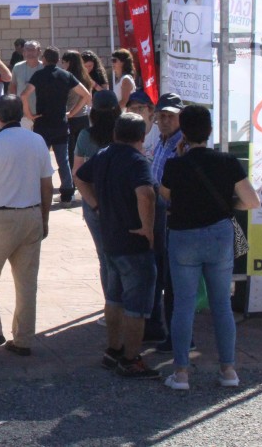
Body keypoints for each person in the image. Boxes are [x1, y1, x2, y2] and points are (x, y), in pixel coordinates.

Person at [160, 104, 261, 391]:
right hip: (219, 235)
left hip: (183, 237)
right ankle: (228, 370)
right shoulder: (228, 162)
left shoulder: (174, 165)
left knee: (183, 305)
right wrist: (230, 205)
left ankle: (181, 374)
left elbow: (164, 195)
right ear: (210, 130)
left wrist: (179, 159)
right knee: (222, 306)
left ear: (183, 132)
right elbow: (252, 201)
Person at [75, 113, 161, 380]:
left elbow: (79, 176)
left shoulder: (103, 155)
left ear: (115, 133)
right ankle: (131, 359)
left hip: (110, 239)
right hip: (134, 242)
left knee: (114, 298)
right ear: (142, 136)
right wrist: (148, 228)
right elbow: (145, 193)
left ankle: (113, 350)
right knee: (136, 305)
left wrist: (96, 204)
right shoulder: (137, 161)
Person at [0, 95, 54, 357]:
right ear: (21, 114)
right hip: (31, 214)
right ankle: (24, 338)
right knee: (27, 281)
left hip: (1, 216)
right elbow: (47, 184)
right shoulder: (36, 140)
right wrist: (44, 218)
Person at [20, 47, 91, 204]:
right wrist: (72, 113)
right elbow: (86, 94)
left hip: (42, 123)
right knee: (63, 160)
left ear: (44, 59)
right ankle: (67, 194)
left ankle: (37, 193)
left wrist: (29, 114)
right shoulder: (66, 75)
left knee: (39, 160)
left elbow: (24, 95)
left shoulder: (39, 75)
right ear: (58, 60)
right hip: (60, 123)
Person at [72, 90, 122, 300]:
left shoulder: (86, 135)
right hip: (121, 200)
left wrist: (93, 204)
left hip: (93, 200)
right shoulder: (124, 133)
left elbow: (77, 173)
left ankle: (111, 304)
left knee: (104, 256)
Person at [149, 92, 185, 351]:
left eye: (170, 116)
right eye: (161, 116)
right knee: (159, 274)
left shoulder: (182, 145)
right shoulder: (162, 142)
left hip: (174, 217)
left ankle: (179, 336)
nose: (164, 121)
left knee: (173, 281)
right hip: (157, 214)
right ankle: (160, 329)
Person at [61, 50, 94, 169]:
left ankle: (74, 179)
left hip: (72, 118)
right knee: (83, 151)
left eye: (63, 62)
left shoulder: (69, 78)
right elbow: (87, 99)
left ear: (69, 62)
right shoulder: (85, 77)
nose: (62, 65)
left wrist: (71, 113)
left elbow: (86, 97)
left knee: (71, 152)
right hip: (83, 118)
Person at [8, 40, 41, 129]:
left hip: (40, 114)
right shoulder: (17, 67)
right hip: (22, 115)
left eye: (32, 49)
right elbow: (13, 87)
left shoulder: (44, 67)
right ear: (23, 52)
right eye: (27, 49)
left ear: (39, 51)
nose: (29, 52)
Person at [125, 90, 159, 160]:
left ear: (150, 110)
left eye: (140, 108)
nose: (136, 112)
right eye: (132, 109)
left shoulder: (160, 133)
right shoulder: (124, 135)